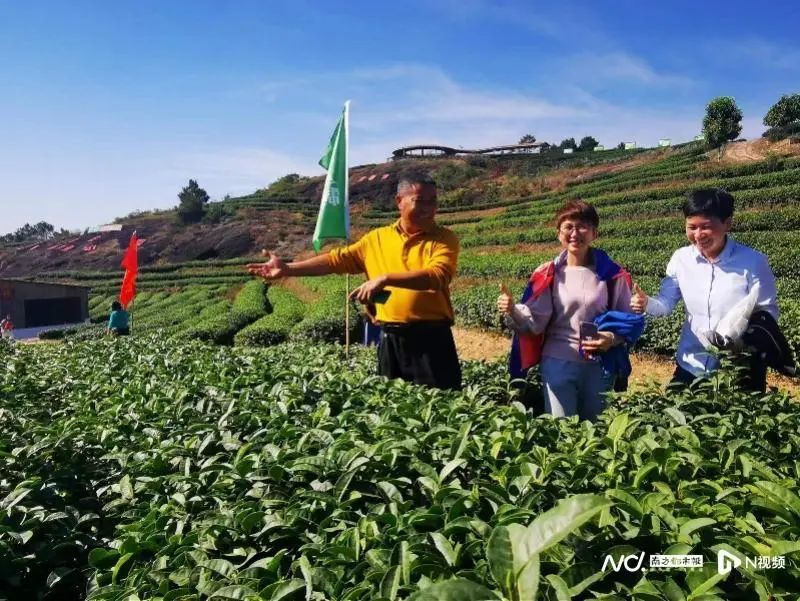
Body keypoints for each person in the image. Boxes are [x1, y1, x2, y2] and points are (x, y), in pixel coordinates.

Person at [247, 172, 462, 390]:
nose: (428, 208)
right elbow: (335, 261)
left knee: (442, 407)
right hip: (390, 338)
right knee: (392, 407)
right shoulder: (376, 239)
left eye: (432, 201)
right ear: (399, 202)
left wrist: (385, 279)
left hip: (431, 339)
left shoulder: (444, 238)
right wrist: (288, 269)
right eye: (419, 201)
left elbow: (438, 276)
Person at [497, 201, 635, 421]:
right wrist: (513, 310)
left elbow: (629, 320)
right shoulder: (547, 273)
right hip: (557, 362)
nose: (575, 233)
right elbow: (536, 322)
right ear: (558, 233)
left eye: (582, 227)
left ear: (594, 233)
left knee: (597, 431)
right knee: (561, 429)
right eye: (568, 226)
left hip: (599, 366)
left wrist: (610, 338)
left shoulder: (612, 275)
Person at [630, 188, 779, 391]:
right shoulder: (681, 259)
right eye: (692, 227)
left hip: (738, 370)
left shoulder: (753, 262)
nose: (698, 235)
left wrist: (741, 341)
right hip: (691, 364)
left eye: (706, 227)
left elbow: (767, 314)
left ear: (727, 223)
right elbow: (665, 305)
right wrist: (646, 302)